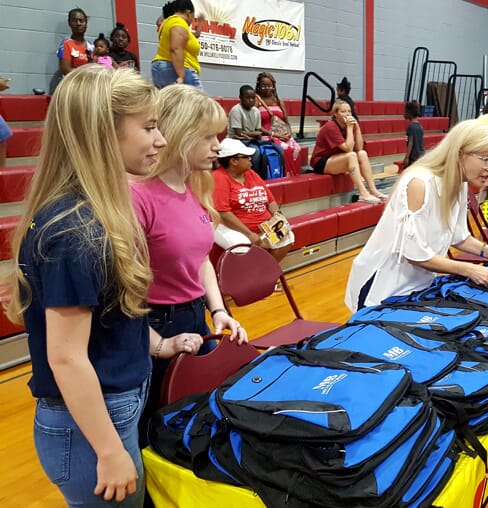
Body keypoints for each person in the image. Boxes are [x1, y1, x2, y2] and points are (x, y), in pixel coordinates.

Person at [2, 66, 203, 507]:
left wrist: (159, 345)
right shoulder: (75, 232)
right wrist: (109, 451)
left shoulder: (100, 215)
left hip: (113, 409)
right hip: (90, 429)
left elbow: (109, 316)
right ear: (101, 133)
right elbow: (67, 357)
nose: (161, 140)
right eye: (149, 127)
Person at [130, 84, 247, 447]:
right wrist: (159, 344)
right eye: (209, 136)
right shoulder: (138, 196)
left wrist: (218, 310)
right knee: (156, 430)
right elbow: (122, 288)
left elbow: (201, 261)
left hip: (193, 317)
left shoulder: (196, 187)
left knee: (193, 423)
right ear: (180, 134)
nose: (218, 146)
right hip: (154, 325)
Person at [345, 119, 488, 310]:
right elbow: (415, 254)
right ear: (459, 154)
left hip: (416, 287)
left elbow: (458, 236)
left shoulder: (459, 183)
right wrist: (470, 269)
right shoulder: (419, 183)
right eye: (486, 159)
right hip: (382, 289)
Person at [213, 138, 294, 262]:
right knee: (242, 246)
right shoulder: (219, 178)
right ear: (234, 161)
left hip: (263, 226)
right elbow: (224, 213)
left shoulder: (251, 174)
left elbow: (270, 201)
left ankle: (264, 274)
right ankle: (252, 277)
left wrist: (279, 218)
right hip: (235, 228)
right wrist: (249, 234)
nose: (250, 159)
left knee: (287, 236)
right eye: (246, 157)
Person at [310, 100, 385, 204]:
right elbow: (349, 149)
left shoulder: (347, 125)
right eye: (343, 111)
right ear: (335, 114)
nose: (348, 114)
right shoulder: (331, 127)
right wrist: (350, 128)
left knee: (362, 154)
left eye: (349, 111)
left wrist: (357, 128)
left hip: (336, 157)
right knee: (352, 156)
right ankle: (363, 193)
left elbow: (359, 148)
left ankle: (373, 190)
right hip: (321, 162)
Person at [230, 84, 284, 179]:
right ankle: (254, 178)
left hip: (252, 139)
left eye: (253, 98)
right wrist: (256, 134)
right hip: (237, 140)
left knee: (278, 149)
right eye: (247, 98)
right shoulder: (236, 110)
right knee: (256, 152)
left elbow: (258, 129)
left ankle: (278, 175)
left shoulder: (255, 110)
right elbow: (239, 133)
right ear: (240, 98)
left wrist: (263, 134)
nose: (251, 100)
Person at [255, 72, 303, 176]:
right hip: (266, 135)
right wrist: (275, 135)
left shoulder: (279, 101)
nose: (267, 88)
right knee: (284, 148)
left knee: (296, 148)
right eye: (263, 86)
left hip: (282, 134)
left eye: (269, 85)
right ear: (259, 86)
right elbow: (255, 125)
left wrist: (289, 134)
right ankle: (283, 175)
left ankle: (294, 176)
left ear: (273, 86)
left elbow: (286, 121)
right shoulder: (256, 101)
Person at [151, 0, 202, 88]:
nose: (193, 20)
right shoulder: (178, 22)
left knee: (168, 101)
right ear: (188, 13)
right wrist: (181, 76)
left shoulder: (166, 24)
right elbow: (175, 49)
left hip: (159, 68)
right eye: (193, 16)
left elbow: (195, 35)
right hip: (178, 69)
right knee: (199, 101)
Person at [57, 8, 93, 77]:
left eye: (81, 21)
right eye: (74, 21)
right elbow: (66, 70)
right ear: (69, 23)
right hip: (74, 85)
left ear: (86, 23)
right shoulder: (66, 44)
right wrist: (87, 74)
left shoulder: (92, 46)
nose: (78, 23)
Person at [403, 101, 425, 167]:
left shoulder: (410, 127)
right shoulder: (420, 126)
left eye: (405, 111)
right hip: (421, 155)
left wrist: (406, 157)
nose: (404, 114)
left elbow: (410, 143)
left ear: (409, 113)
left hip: (414, 157)